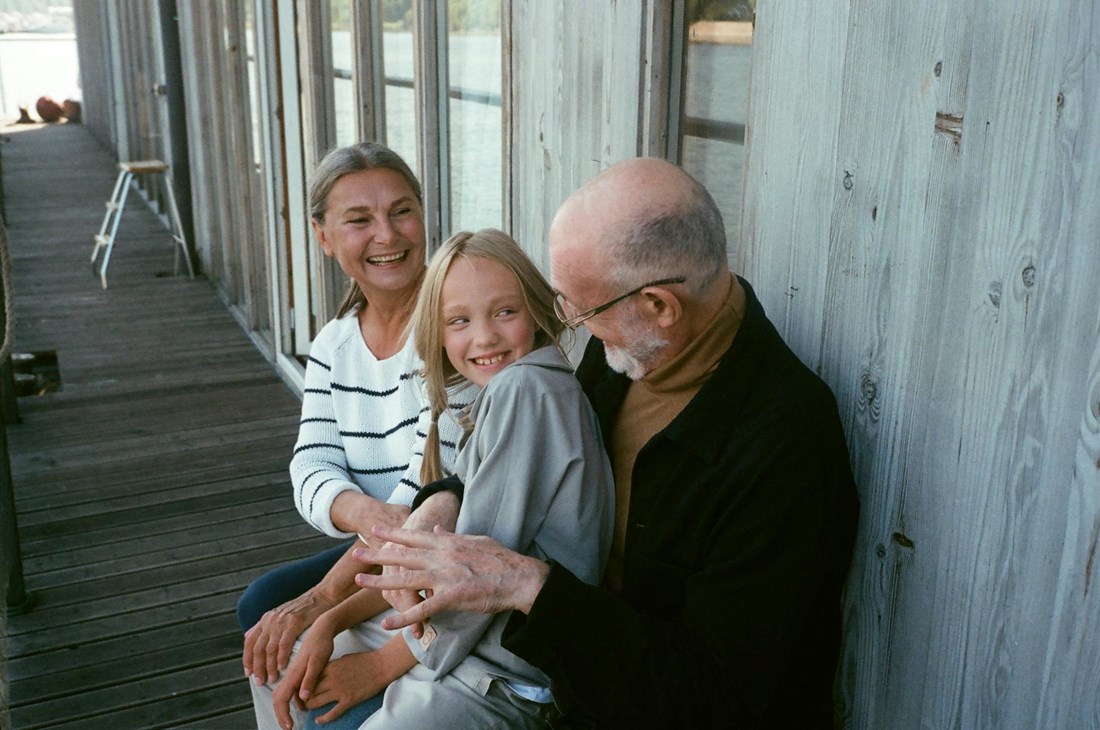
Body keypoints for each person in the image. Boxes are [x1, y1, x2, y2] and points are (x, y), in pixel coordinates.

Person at [355, 158, 861, 727]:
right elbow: (534, 465)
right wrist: (443, 497)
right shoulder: (629, 350)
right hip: (545, 666)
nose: (567, 322)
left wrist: (529, 588)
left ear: (658, 306)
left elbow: (723, 696)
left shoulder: (785, 448)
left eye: (580, 307)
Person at [251, 229, 615, 729]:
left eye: (505, 312)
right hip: (452, 637)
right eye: (459, 321)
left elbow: (471, 581)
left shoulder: (527, 392)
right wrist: (330, 618)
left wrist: (376, 668)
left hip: (499, 671)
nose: (484, 337)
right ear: (438, 334)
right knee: (283, 657)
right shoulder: (498, 392)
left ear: (537, 308)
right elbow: (431, 553)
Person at [238, 142, 471, 727]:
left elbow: (422, 499)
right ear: (324, 236)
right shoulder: (334, 343)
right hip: (380, 547)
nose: (387, 236)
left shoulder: (459, 331)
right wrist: (363, 512)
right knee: (261, 605)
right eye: (359, 220)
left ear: (425, 216)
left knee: (295, 623)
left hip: (446, 551)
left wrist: (321, 602)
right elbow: (310, 467)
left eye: (401, 211)